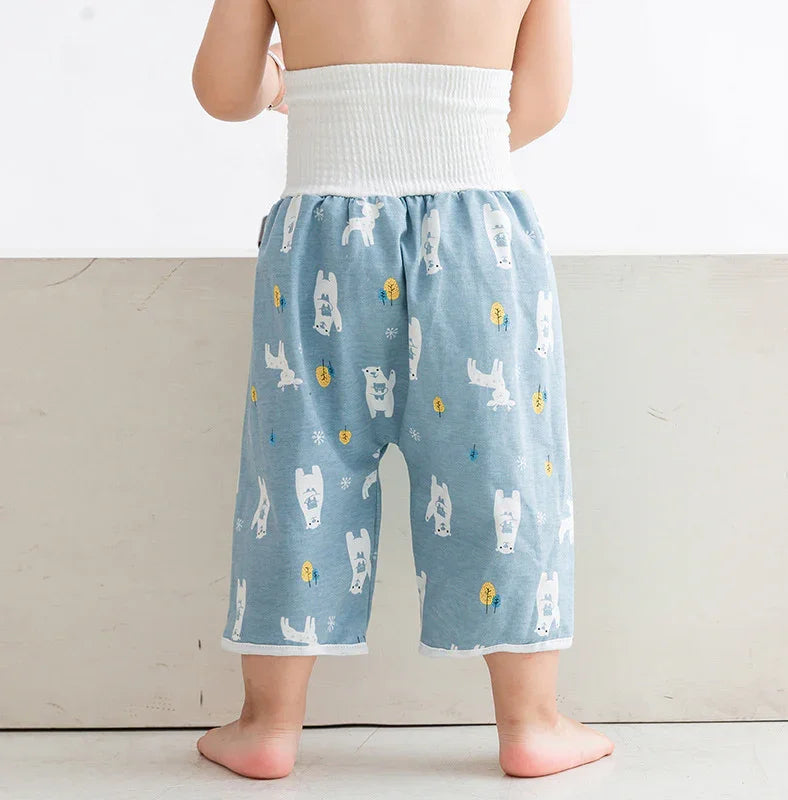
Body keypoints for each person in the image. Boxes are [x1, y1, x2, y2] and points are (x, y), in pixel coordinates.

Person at [191, 0, 614, 780]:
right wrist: (447, 142)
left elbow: (222, 91)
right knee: (504, 475)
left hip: (320, 234)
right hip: (477, 236)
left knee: (297, 472)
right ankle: (530, 724)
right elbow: (543, 103)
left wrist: (287, 84)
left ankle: (267, 727)